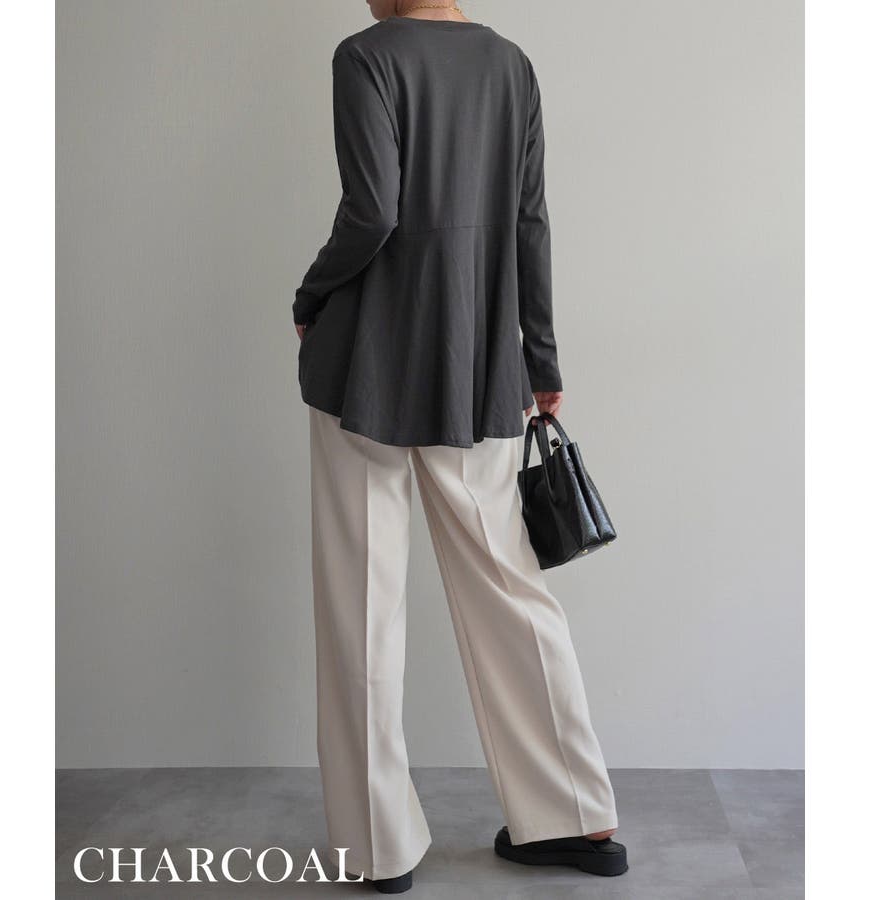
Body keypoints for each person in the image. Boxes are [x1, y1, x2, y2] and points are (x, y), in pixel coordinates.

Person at [293, 1, 627, 893]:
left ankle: (377, 846)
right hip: (476, 362)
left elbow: (372, 211)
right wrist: (540, 358)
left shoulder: (366, 57)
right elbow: (529, 219)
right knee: (510, 586)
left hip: (363, 367)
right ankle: (575, 816)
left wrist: (309, 296)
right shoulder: (510, 64)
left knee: (362, 600)